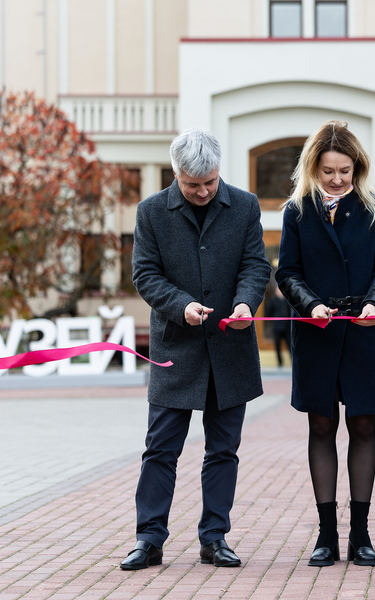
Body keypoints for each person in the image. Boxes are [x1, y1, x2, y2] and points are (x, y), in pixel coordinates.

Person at [121, 128, 271, 570]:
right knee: (160, 450)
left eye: (210, 182)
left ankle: (214, 538)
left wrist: (245, 303)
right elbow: (145, 275)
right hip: (176, 351)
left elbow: (255, 265)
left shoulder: (245, 206)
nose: (203, 191)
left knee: (223, 451)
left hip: (230, 350)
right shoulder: (151, 212)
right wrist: (180, 305)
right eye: (192, 185)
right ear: (176, 174)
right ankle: (148, 540)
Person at [275, 120, 375, 568]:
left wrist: (374, 303)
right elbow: (287, 271)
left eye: (344, 171)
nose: (336, 179)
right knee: (321, 427)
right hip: (317, 334)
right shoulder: (297, 211)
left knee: (363, 428)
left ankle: (360, 535)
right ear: (314, 168)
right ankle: (326, 535)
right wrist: (309, 304)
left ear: (357, 168)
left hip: (365, 332)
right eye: (328, 171)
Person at [265, 284, 292, 366]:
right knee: (277, 345)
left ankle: (292, 360)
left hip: (286, 327)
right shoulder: (273, 301)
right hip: (277, 327)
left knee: (289, 344)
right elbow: (268, 313)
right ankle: (280, 362)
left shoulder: (286, 300)